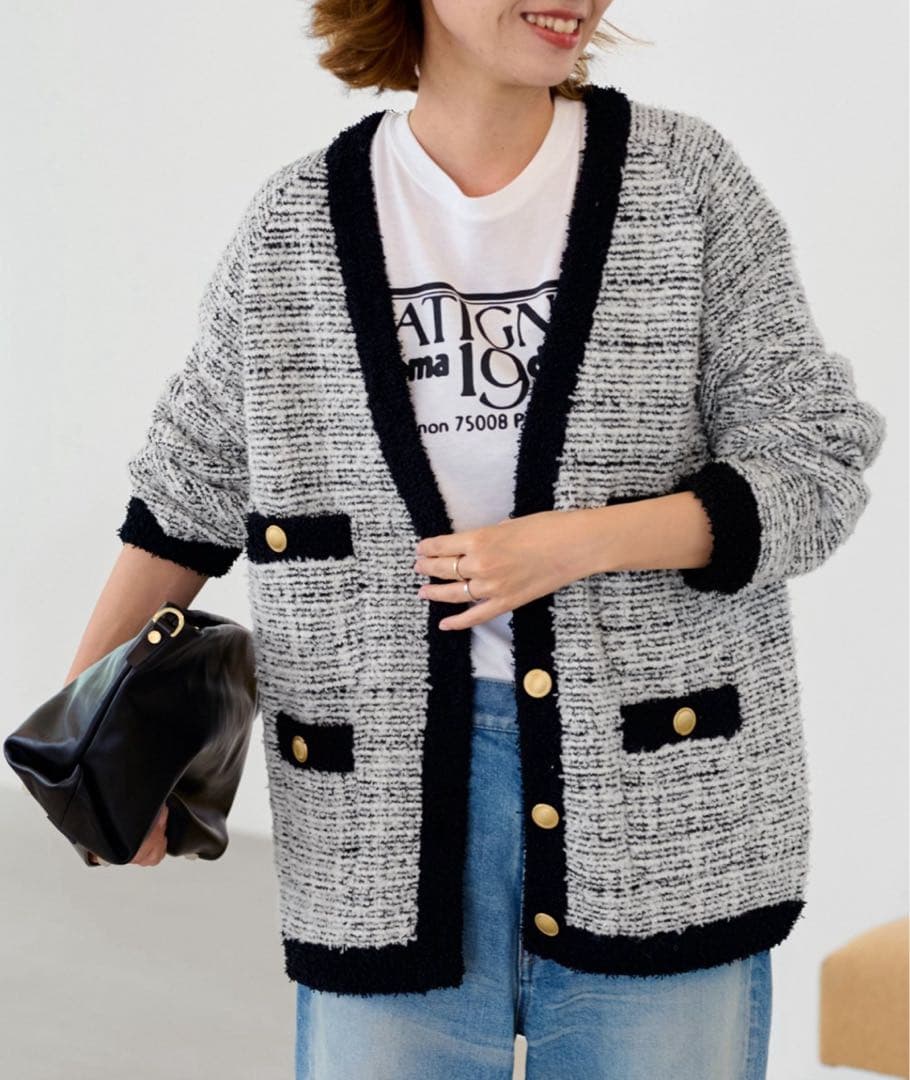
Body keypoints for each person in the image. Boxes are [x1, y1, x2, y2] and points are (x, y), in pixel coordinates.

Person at [65, 1, 887, 1077]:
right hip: (377, 830)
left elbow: (814, 462)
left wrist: (578, 544)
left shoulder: (684, 183)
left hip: (661, 819)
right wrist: (83, 745)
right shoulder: (297, 223)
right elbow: (185, 493)